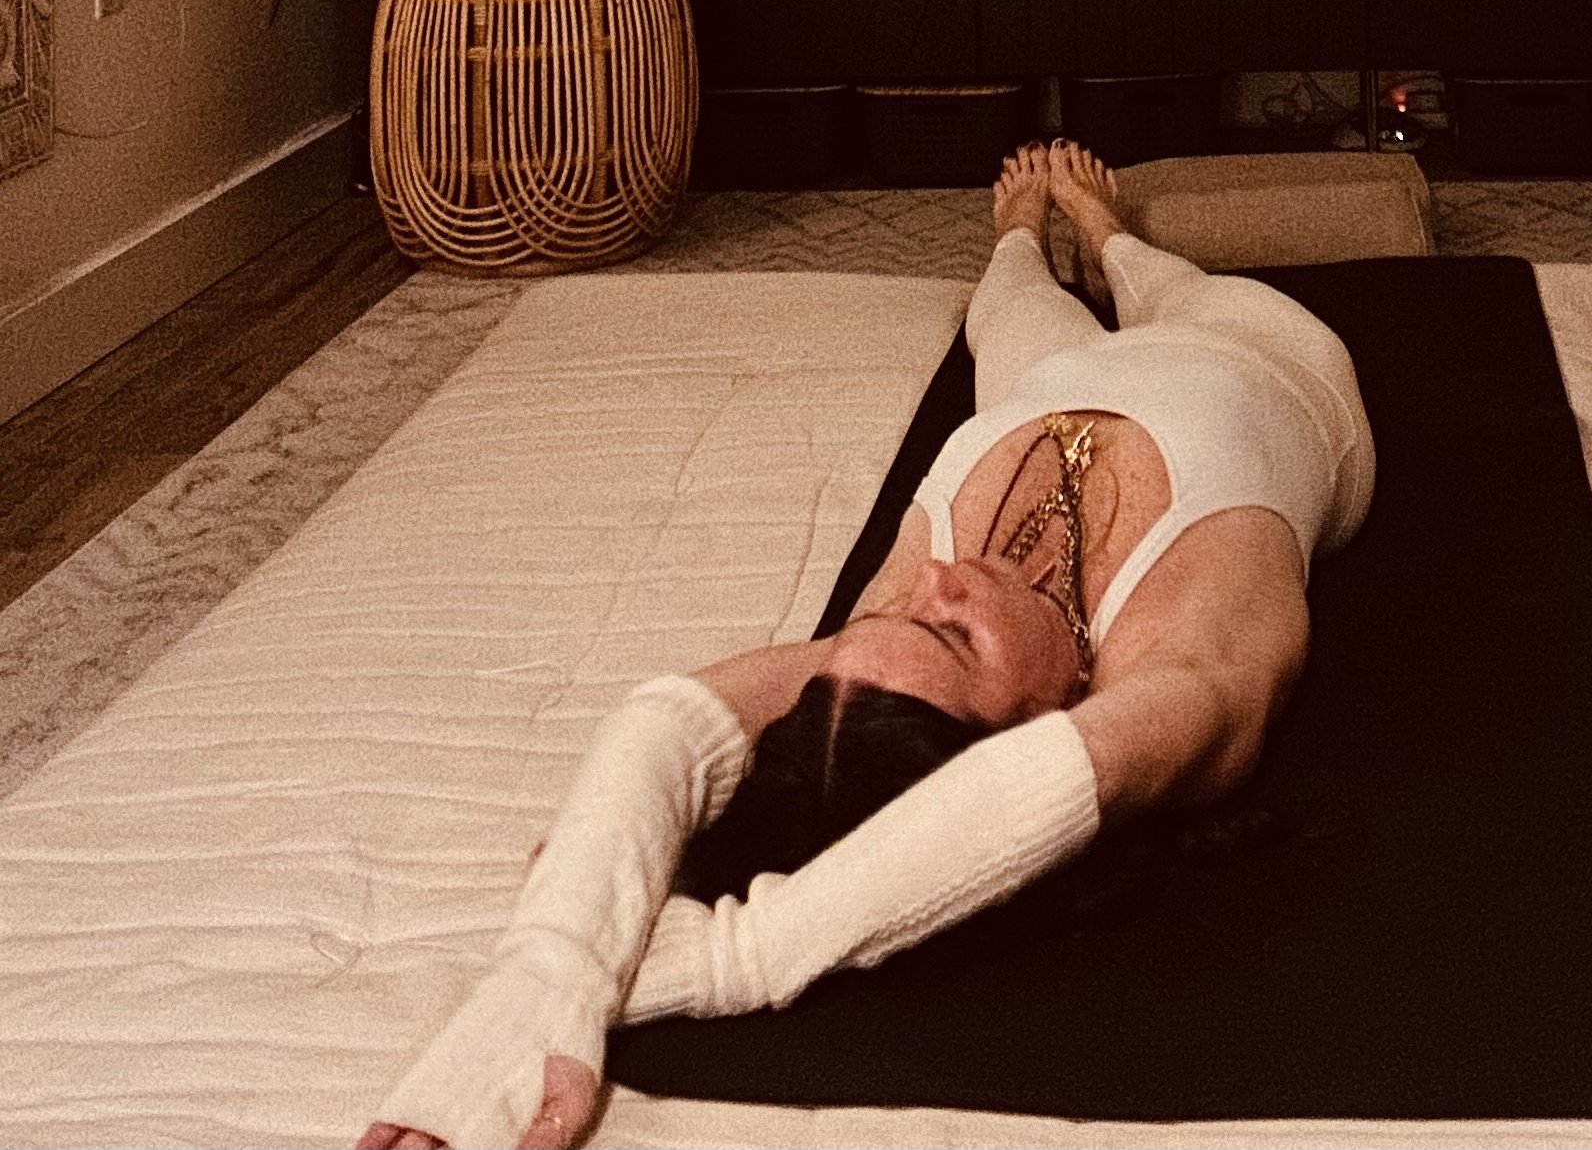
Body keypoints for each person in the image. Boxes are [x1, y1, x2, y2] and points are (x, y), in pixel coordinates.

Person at [361, 141, 1374, 1150]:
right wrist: (667, 960)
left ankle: (1088, 232)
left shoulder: (897, 649)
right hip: (1265, 356)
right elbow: (1038, 786)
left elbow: (663, 721)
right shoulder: (1193, 643)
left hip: (1050, 384)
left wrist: (557, 970)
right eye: (948, 629)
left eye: (891, 619)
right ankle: (1064, 238)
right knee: (1107, 300)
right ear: (1048, 704)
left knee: (1070, 297)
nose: (929, 583)